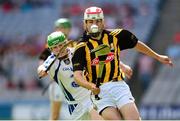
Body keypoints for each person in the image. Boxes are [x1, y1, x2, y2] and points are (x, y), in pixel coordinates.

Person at [72, 6, 173, 120]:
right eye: (90, 22)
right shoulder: (81, 47)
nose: (94, 25)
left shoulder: (117, 35)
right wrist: (90, 86)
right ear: (85, 24)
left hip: (118, 86)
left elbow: (136, 44)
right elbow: (77, 75)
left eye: (97, 21)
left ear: (103, 22)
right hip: (100, 92)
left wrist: (157, 56)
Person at [38, 31, 133, 120]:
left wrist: (122, 66)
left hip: (91, 96)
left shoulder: (77, 51)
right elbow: (41, 69)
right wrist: (41, 70)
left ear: (66, 43)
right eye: (55, 47)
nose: (59, 49)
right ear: (50, 49)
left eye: (61, 45)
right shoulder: (51, 61)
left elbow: (102, 55)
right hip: (75, 105)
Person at [38, 18, 77, 120]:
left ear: (69, 29)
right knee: (55, 114)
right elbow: (42, 61)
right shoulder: (50, 45)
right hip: (58, 84)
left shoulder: (75, 44)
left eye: (64, 28)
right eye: (58, 28)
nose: (61, 30)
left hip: (75, 82)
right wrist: (48, 71)